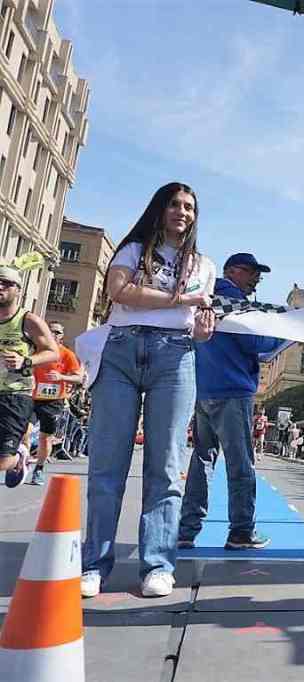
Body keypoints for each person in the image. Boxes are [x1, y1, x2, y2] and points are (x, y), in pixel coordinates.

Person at [80, 183, 216, 599]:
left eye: (189, 207)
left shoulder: (203, 264)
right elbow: (119, 291)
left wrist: (202, 330)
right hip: (122, 348)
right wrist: (182, 298)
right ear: (159, 209)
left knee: (166, 464)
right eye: (174, 204)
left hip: (175, 355)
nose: (182, 212)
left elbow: (195, 319)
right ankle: (94, 564)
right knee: (107, 463)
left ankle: (158, 563)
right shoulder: (133, 250)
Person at [178, 253, 285, 552]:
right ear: (233, 272)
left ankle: (187, 530)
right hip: (233, 390)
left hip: (204, 388)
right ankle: (241, 531)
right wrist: (284, 333)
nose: (256, 280)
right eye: (252, 273)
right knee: (241, 464)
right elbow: (255, 343)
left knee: (201, 460)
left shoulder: (206, 297)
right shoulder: (235, 302)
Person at [0, 265, 59, 489]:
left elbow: (52, 351)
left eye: (6, 283)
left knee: (3, 460)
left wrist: (25, 360)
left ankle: (19, 457)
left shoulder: (28, 320)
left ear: (18, 289)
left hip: (16, 394)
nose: (0, 286)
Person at [26, 322, 84, 485]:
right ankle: (20, 462)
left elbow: (78, 378)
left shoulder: (67, 355)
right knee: (25, 431)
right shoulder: (36, 350)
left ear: (61, 336)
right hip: (30, 397)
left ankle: (39, 469)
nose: (53, 334)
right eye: (50, 331)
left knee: (45, 438)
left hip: (53, 401)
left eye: (57, 332)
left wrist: (62, 377)